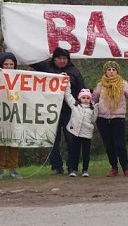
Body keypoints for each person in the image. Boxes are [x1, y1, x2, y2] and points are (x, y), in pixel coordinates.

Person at [31, 47, 86, 175]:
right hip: (50, 110)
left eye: (64, 58)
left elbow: (81, 89)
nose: (62, 61)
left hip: (69, 111)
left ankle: (72, 166)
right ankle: (56, 166)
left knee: (72, 140)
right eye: (59, 58)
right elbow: (31, 61)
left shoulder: (74, 72)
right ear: (54, 59)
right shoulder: (46, 69)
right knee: (52, 140)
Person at [0, 52, 22, 179]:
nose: (9, 66)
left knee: (14, 142)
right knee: (0, 142)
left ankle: (13, 169)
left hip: (15, 112)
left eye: (11, 64)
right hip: (1, 113)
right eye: (6, 64)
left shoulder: (21, 76)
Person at [65, 88, 98, 177]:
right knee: (74, 151)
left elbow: (93, 119)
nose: (86, 100)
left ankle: (85, 170)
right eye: (83, 98)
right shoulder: (75, 105)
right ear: (79, 98)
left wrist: (95, 108)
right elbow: (67, 95)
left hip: (87, 133)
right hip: (75, 132)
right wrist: (67, 82)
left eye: (88, 98)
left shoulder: (93, 108)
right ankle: (74, 169)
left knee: (86, 152)